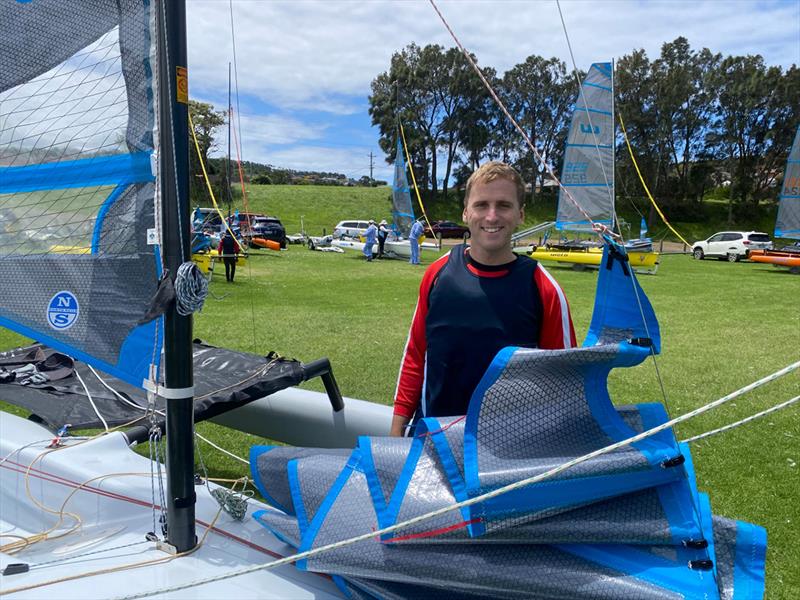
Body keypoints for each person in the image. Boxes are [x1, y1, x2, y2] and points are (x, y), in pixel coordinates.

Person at [390, 161, 576, 437]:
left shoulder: (544, 288)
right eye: (481, 205)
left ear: (520, 214)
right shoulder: (437, 274)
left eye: (503, 205)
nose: (491, 216)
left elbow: (563, 384)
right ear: (466, 212)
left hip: (508, 454)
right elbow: (416, 358)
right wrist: (396, 434)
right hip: (433, 441)